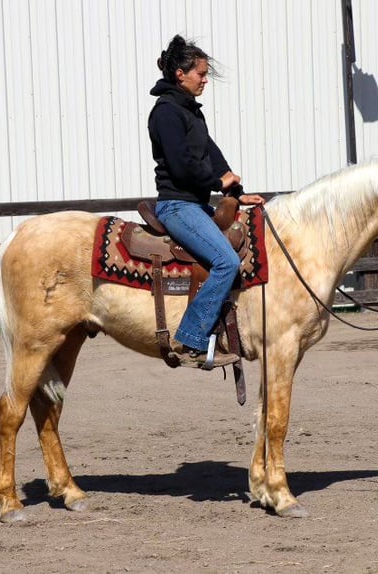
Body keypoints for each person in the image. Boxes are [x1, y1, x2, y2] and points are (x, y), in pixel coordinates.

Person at [148, 35, 265, 369]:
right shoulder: (167, 113)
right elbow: (182, 166)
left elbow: (210, 154)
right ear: (180, 74)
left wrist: (236, 191)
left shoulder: (188, 112)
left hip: (194, 204)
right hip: (177, 205)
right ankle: (192, 339)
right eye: (200, 73)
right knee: (226, 261)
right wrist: (217, 183)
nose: (204, 79)